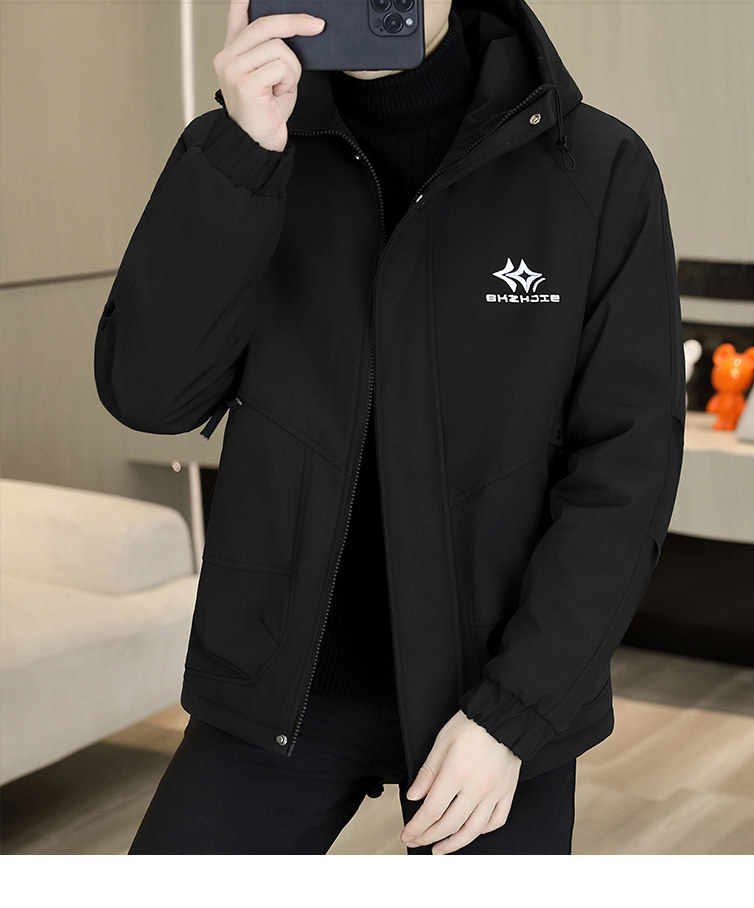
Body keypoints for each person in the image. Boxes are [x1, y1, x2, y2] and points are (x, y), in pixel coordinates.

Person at [94, 0, 685, 855]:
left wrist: (515, 714)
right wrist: (242, 152)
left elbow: (626, 473)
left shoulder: (595, 166)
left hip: (490, 696)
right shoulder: (249, 149)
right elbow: (149, 395)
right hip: (275, 686)